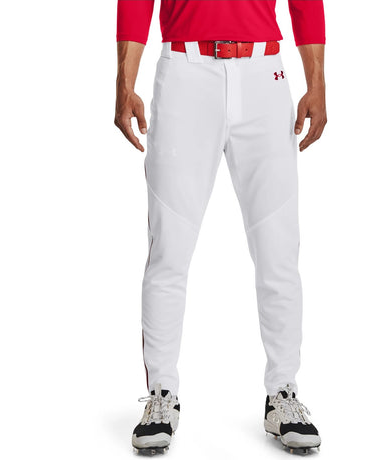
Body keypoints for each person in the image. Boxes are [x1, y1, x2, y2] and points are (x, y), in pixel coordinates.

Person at [115, 0, 327, 454]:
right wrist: (124, 82)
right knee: (169, 248)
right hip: (185, 72)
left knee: (278, 248)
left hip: (264, 73)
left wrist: (317, 82)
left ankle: (283, 392)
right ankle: (161, 394)